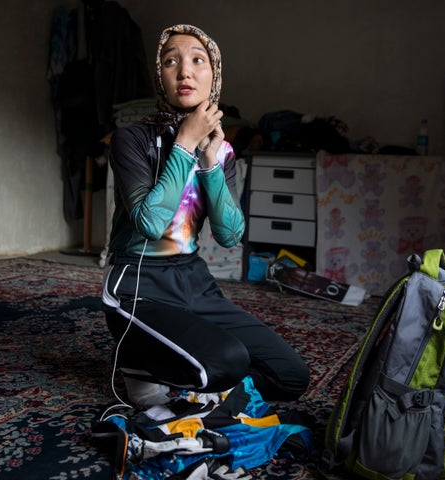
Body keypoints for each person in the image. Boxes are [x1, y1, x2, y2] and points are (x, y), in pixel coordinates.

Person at [101, 24, 309, 406]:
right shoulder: (131, 139)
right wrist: (185, 142)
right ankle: (135, 361)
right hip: (136, 286)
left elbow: (230, 235)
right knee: (227, 361)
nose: (185, 71)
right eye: (171, 61)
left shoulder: (221, 150)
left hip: (193, 280)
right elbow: (149, 224)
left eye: (198, 60)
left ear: (213, 76)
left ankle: (193, 370)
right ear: (159, 76)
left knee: (290, 376)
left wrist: (211, 161)